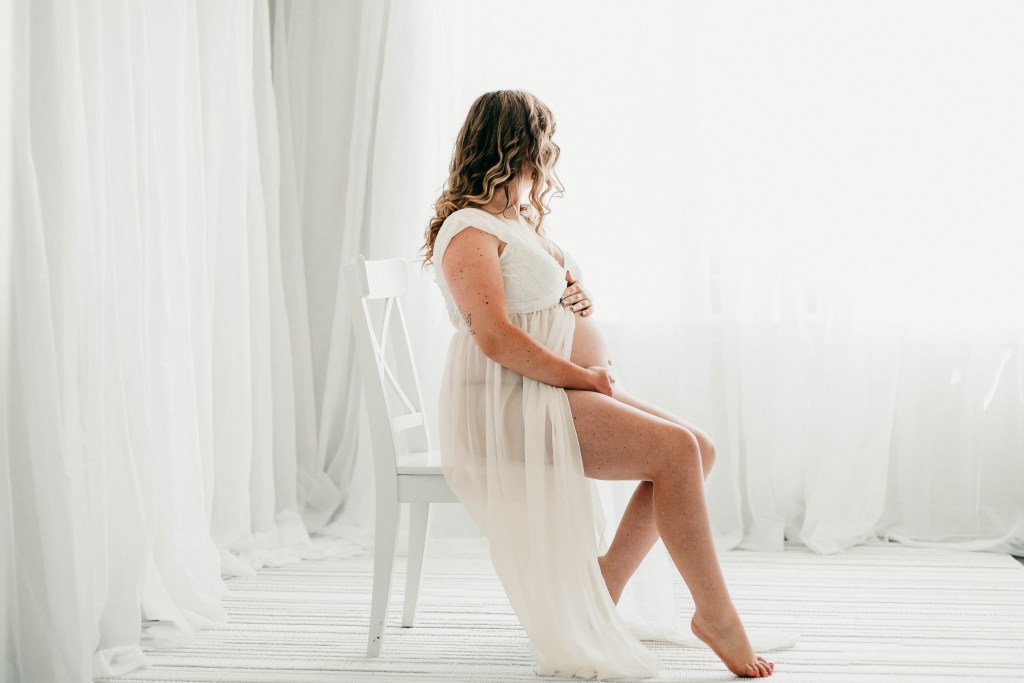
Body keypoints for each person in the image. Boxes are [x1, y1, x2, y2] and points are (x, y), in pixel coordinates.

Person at [419, 89, 775, 679]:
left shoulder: (518, 220)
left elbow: (535, 299)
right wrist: (582, 374)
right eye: (544, 141)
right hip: (508, 399)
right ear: (521, 146)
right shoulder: (467, 228)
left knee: (698, 448)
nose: (551, 153)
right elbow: (496, 338)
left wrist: (574, 300)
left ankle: (604, 586)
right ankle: (715, 615)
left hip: (553, 388)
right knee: (676, 451)